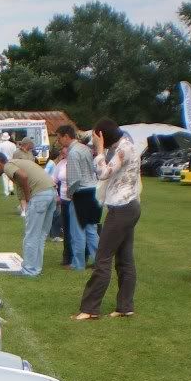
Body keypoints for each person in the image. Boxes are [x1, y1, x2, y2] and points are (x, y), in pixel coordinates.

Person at [73, 118, 142, 320]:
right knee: (125, 260)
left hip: (122, 209)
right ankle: (125, 307)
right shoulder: (124, 146)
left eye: (96, 136)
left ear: (103, 135)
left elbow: (103, 173)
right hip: (128, 207)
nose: (94, 140)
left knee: (102, 259)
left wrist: (100, 148)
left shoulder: (123, 149)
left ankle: (90, 308)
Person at [0, 152, 56, 276]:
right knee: (41, 235)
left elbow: (24, 177)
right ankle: (36, 269)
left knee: (31, 235)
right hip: (51, 192)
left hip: (40, 195)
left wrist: (28, 197)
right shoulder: (18, 163)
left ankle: (29, 270)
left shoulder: (8, 166)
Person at [56, 124, 99, 270]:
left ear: (66, 136)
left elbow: (74, 179)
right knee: (91, 229)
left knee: (77, 231)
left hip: (80, 192)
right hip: (93, 190)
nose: (58, 141)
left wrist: (69, 195)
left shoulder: (73, 153)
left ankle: (78, 264)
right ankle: (100, 261)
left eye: (59, 138)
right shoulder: (86, 149)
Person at [54, 146, 73, 266]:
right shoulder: (60, 164)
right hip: (64, 200)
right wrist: (56, 195)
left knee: (77, 229)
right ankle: (67, 257)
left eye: (65, 149)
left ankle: (80, 256)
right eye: (63, 149)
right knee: (66, 229)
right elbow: (53, 180)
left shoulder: (76, 162)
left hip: (76, 200)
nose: (63, 151)